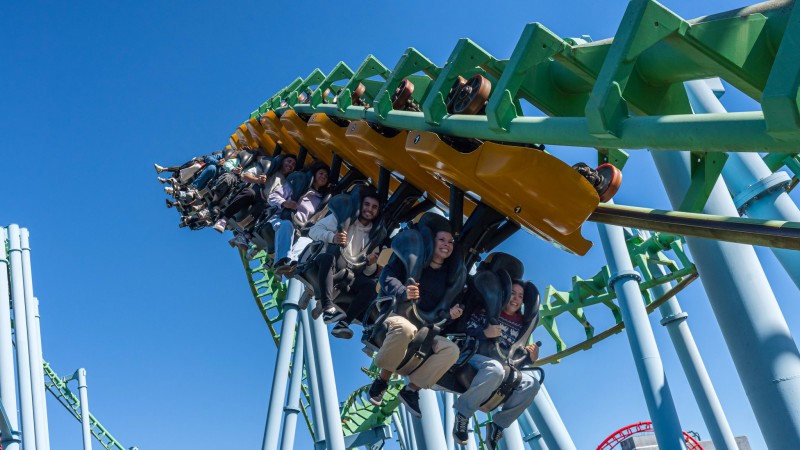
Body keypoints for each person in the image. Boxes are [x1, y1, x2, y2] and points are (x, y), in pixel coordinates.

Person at [367, 220, 465, 418]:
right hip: (394, 316)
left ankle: (411, 390)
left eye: (450, 242)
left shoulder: (450, 276)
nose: (447, 244)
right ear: (432, 241)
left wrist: (454, 313)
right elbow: (387, 276)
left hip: (425, 327)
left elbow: (446, 314)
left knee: (451, 350)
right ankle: (382, 381)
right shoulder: (412, 259)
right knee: (405, 329)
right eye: (442, 240)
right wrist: (403, 291)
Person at [453, 279, 540, 450]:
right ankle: (463, 415)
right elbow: (463, 329)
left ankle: (498, 426)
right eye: (512, 293)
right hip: (473, 356)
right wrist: (485, 332)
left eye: (520, 296)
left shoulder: (522, 324)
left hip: (500, 366)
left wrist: (530, 358)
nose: (515, 299)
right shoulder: (486, 309)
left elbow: (515, 357)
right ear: (505, 293)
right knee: (495, 369)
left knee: (532, 384)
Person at [307, 188, 382, 335]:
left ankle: (343, 324)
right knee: (329, 258)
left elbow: (368, 272)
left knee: (370, 286)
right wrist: (331, 237)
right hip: (325, 264)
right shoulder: (342, 218)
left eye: (374, 207)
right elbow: (313, 231)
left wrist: (371, 263)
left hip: (348, 274)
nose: (369, 209)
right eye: (367, 204)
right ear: (361, 205)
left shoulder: (374, 236)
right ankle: (328, 308)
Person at [268, 161, 330, 275]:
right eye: (321, 173)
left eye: (326, 176)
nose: (323, 177)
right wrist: (284, 203)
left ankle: (292, 265)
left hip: (300, 229)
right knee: (286, 225)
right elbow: (272, 197)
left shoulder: (320, 200)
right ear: (314, 174)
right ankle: (281, 262)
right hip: (281, 219)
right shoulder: (298, 186)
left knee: (308, 241)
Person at [211, 154, 296, 235]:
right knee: (250, 193)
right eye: (289, 161)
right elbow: (244, 176)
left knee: (265, 209)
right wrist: (258, 180)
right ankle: (223, 219)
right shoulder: (268, 168)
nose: (290, 165)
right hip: (256, 191)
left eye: (293, 164)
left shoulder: (287, 183)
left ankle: (245, 235)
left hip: (266, 202)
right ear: (282, 161)